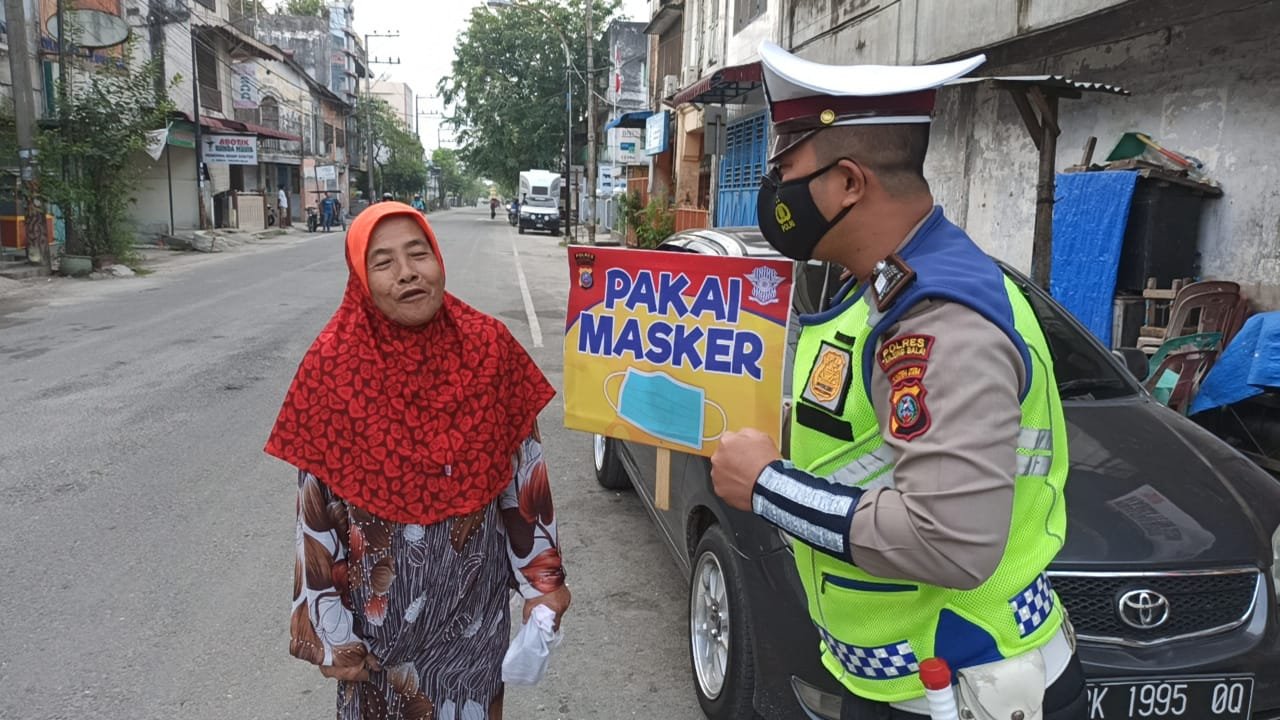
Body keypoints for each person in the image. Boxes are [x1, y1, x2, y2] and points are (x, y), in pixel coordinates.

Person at [708, 42, 1083, 720]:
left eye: (786, 169)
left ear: (849, 183)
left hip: (964, 691)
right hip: (906, 684)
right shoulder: (886, 290)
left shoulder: (938, 320)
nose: (774, 193)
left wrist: (767, 484)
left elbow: (950, 539)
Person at [265, 201, 572, 719]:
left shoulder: (488, 349)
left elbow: (524, 480)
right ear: (361, 279)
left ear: (437, 258)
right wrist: (328, 627)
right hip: (377, 636)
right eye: (382, 262)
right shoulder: (332, 367)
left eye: (418, 253)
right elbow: (314, 515)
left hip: (472, 618)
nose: (406, 272)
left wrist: (545, 585)